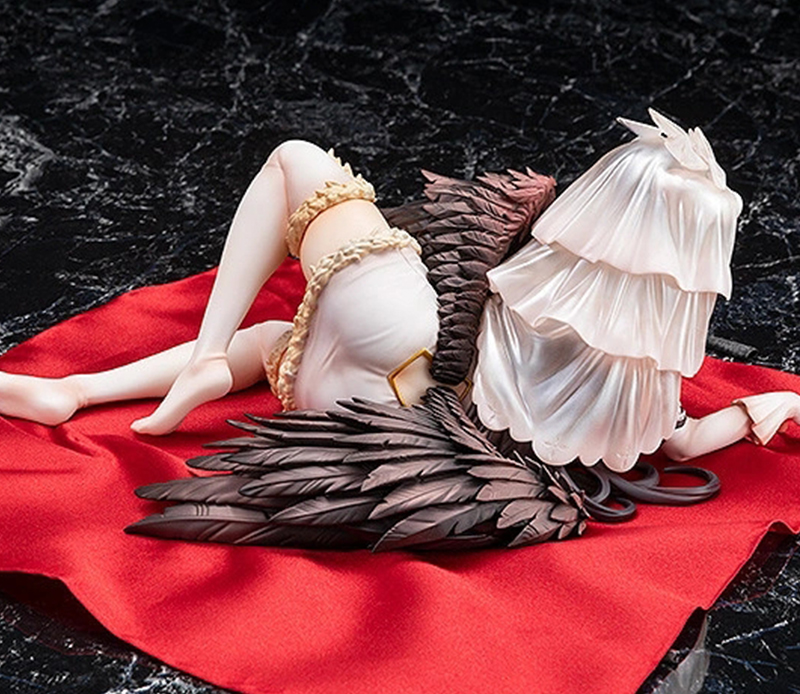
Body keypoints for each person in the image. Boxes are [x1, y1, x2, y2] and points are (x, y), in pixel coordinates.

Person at [1, 114, 799, 472]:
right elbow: (685, 448)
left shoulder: (551, 265)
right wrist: (771, 408)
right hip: (373, 416)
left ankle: (159, 369)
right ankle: (95, 391)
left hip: (400, 332)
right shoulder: (644, 374)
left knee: (295, 162)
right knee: (277, 343)